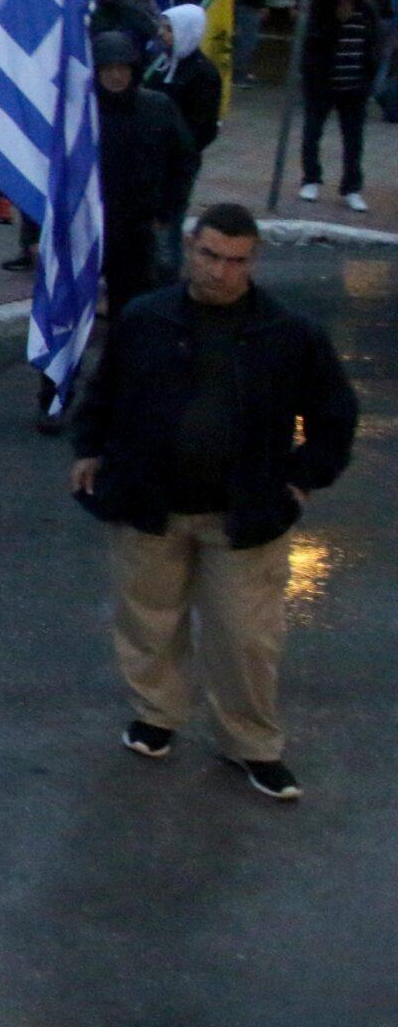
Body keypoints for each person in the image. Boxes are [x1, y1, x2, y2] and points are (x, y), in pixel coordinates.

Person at [71, 203, 358, 803]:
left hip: (245, 513)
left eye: (237, 261)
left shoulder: (289, 333)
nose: (222, 271)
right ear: (189, 249)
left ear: (253, 262)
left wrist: (303, 478)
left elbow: (334, 416)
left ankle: (252, 744)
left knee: (247, 637)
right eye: (210, 255)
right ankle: (156, 715)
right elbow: (106, 389)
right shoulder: (145, 318)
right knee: (148, 619)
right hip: (150, 503)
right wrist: (90, 448)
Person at [43, 30, 198, 434]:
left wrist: (168, 210)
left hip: (135, 229)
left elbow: (185, 159)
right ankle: (55, 397)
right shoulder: (79, 110)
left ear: (134, 70)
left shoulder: (158, 109)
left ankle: (121, 401)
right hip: (83, 229)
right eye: (107, 68)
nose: (115, 76)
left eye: (122, 68)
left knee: (132, 320)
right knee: (68, 316)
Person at [298, 0, 378, 212]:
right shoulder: (323, 6)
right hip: (323, 83)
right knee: (312, 132)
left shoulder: (366, 9)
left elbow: (371, 44)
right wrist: (337, 22)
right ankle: (311, 179)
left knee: (354, 139)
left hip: (354, 85)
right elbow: (312, 42)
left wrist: (367, 77)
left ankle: (352, 187)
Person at [151, 2, 224, 257]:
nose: (162, 34)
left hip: (177, 165)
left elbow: (201, 127)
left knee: (167, 227)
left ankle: (165, 279)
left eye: (169, 29)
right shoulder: (161, 65)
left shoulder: (203, 75)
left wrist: (177, 147)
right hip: (152, 158)